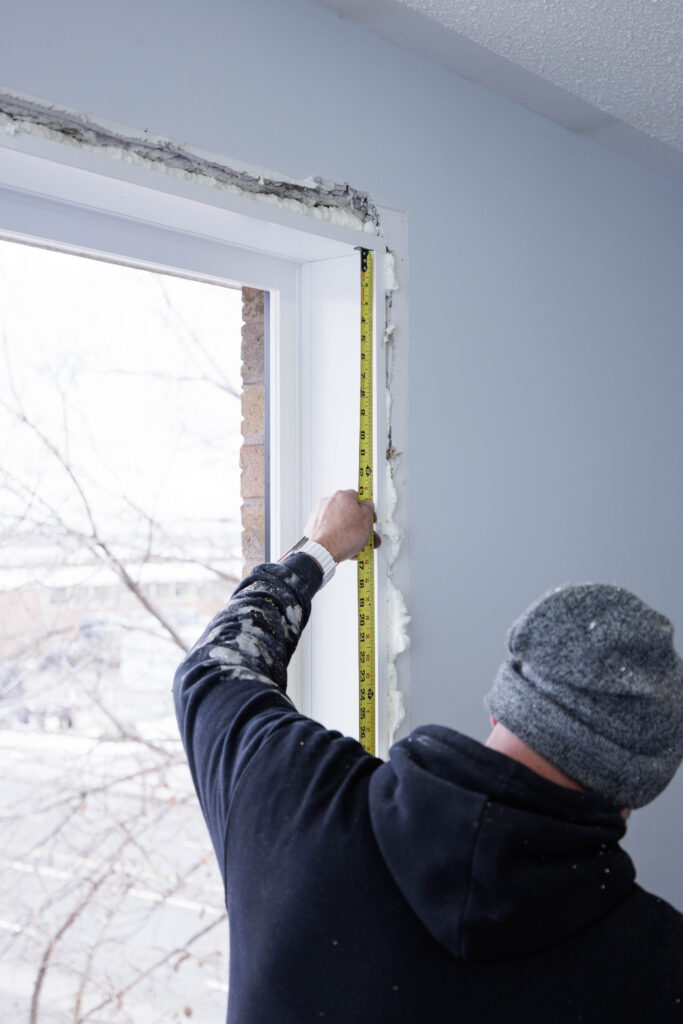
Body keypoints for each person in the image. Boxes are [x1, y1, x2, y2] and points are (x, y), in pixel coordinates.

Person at [173, 489, 683, 1023]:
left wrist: (318, 549)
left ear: (499, 713)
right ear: (633, 792)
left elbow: (213, 670)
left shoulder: (292, 800)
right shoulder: (660, 973)